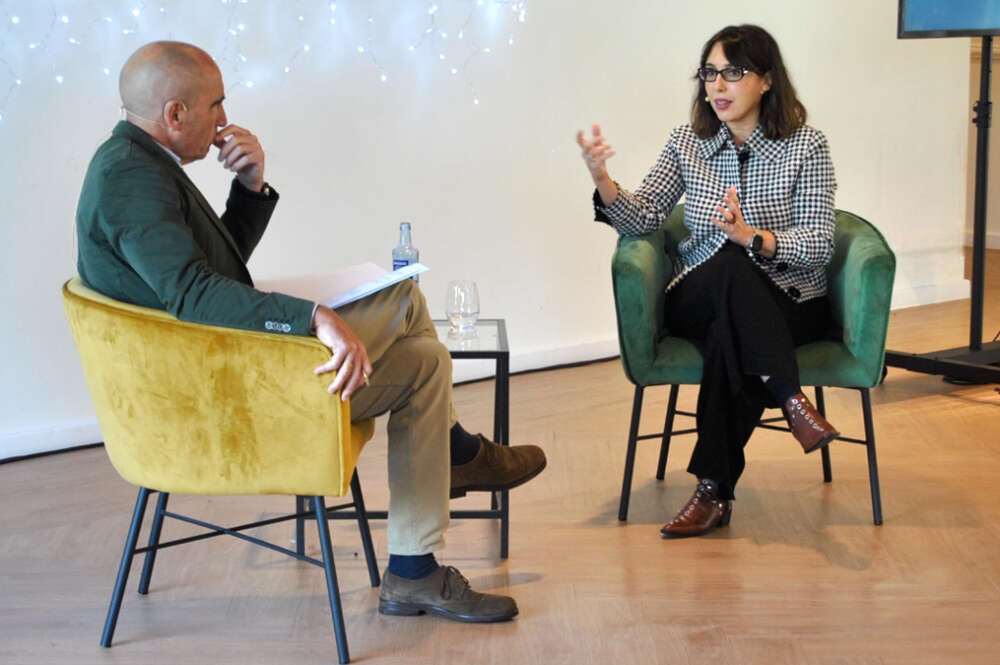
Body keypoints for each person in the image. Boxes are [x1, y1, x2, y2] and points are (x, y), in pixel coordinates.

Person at [76, 40, 546, 622]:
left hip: (218, 367)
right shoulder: (131, 180)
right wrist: (314, 316)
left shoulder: (139, 163)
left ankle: (412, 574)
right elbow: (194, 293)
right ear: (175, 114)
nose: (225, 119)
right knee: (401, 293)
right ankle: (460, 453)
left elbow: (213, 273)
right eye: (216, 106)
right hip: (215, 397)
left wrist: (249, 188)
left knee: (427, 362)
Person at [576, 24, 839, 538]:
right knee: (725, 265)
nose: (718, 86)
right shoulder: (687, 143)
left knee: (728, 332)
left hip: (786, 296)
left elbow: (821, 242)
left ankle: (713, 491)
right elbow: (644, 216)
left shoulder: (806, 147)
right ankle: (787, 394)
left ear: (766, 81)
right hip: (697, 290)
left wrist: (754, 237)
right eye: (710, 73)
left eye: (733, 74)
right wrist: (602, 180)